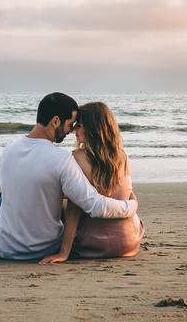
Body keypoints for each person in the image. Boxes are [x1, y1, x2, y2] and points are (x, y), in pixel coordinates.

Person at [0, 92, 138, 261]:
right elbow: (94, 204)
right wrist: (130, 207)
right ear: (56, 121)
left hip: (1, 246)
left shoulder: (8, 150)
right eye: (71, 124)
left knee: (3, 197)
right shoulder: (62, 160)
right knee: (62, 193)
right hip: (43, 248)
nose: (71, 130)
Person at [39, 101, 143, 263]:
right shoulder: (122, 156)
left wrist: (64, 253)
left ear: (94, 128)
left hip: (92, 245)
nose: (74, 130)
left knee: (62, 204)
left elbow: (74, 210)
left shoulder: (77, 157)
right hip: (128, 243)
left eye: (79, 125)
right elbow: (126, 193)